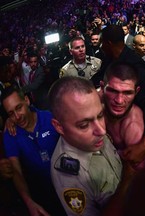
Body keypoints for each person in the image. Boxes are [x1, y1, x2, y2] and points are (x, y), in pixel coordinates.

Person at [91, 24, 145, 166]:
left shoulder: (137, 67)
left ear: (108, 43)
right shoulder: (109, 59)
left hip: (131, 131)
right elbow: (96, 79)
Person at [49, 76, 122, 216]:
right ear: (59, 127)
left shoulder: (94, 135)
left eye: (100, 115)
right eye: (84, 125)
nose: (102, 131)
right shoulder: (70, 177)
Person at [1, 85, 66, 216]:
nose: (17, 117)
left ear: (27, 100)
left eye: (18, 108)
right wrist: (28, 201)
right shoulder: (10, 134)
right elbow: (16, 171)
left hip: (70, 184)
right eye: (11, 113)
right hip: (44, 194)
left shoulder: (50, 118)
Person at [100, 62, 145, 169]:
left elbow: (138, 173)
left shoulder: (133, 125)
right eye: (113, 91)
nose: (119, 100)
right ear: (102, 88)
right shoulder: (92, 102)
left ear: (136, 92)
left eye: (127, 93)